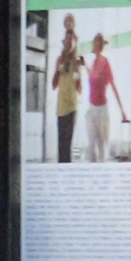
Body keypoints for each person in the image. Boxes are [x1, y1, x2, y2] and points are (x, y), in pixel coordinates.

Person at [85, 32, 130, 161]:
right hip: (91, 108)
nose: (95, 46)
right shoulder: (93, 63)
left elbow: (113, 86)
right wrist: (84, 66)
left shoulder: (105, 63)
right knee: (91, 146)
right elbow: (92, 77)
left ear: (99, 46)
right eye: (95, 43)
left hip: (102, 110)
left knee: (102, 147)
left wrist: (122, 111)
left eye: (97, 43)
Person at [51, 17, 83, 163]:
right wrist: (58, 71)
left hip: (71, 106)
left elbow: (79, 88)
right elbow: (53, 85)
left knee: (68, 144)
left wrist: (77, 73)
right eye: (66, 41)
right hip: (60, 107)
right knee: (60, 145)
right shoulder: (59, 60)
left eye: (71, 42)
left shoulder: (76, 62)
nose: (68, 44)